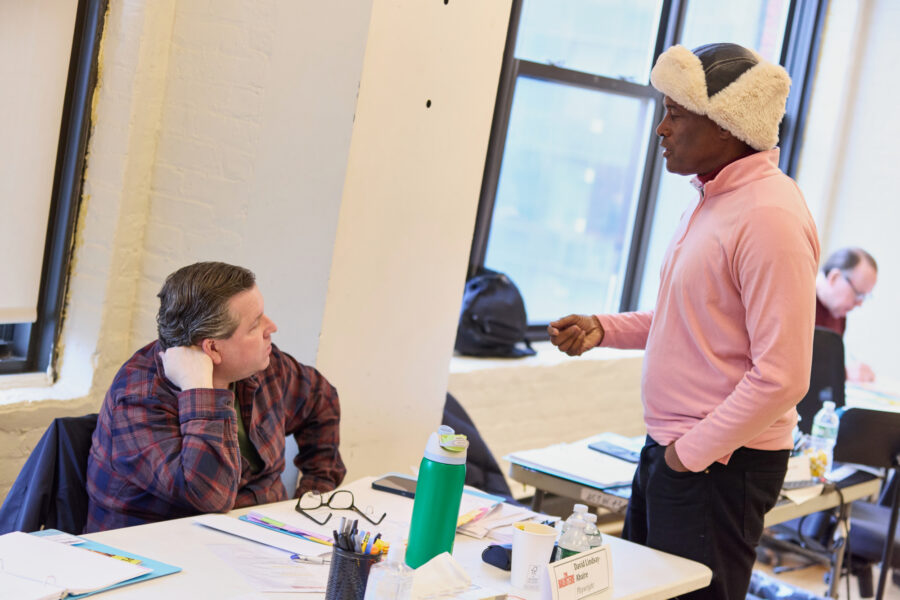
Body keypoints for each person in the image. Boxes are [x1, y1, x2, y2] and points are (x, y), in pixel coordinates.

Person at [548, 43, 819, 600]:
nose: (661, 129)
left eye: (675, 113)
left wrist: (685, 458)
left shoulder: (769, 215)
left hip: (718, 464)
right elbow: (691, 319)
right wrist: (605, 328)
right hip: (679, 453)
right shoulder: (714, 199)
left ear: (726, 124)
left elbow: (784, 376)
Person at [85, 262, 346, 532]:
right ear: (212, 348)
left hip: (261, 534)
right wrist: (198, 390)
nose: (272, 327)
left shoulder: (261, 366)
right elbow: (211, 498)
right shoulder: (139, 399)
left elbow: (321, 399)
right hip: (165, 544)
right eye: (254, 325)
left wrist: (314, 495)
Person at [814, 247, 878, 382]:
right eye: (858, 294)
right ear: (834, 277)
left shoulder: (839, 315)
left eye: (864, 297)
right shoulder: (800, 302)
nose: (859, 303)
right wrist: (843, 373)